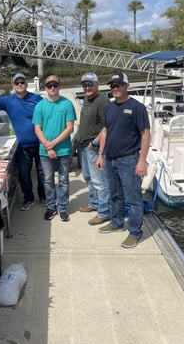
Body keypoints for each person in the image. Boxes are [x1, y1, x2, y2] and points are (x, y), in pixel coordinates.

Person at [0, 73, 46, 210]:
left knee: (42, 173)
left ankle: (44, 197)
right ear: (13, 86)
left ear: (26, 85)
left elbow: (48, 113)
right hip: (23, 146)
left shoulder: (36, 99)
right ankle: (29, 198)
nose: (20, 85)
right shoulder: (8, 101)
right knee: (24, 174)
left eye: (22, 82)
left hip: (40, 143)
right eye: (17, 83)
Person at [96, 71, 150, 248]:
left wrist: (142, 161)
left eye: (118, 85)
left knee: (133, 198)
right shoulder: (109, 107)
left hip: (129, 159)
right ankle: (116, 222)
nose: (115, 88)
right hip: (110, 159)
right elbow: (105, 131)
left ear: (127, 86)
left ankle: (135, 232)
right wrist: (100, 154)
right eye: (112, 86)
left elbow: (145, 134)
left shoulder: (137, 107)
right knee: (114, 194)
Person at [32, 75, 76, 221]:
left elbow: (69, 128)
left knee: (63, 179)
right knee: (48, 180)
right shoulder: (40, 106)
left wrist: (54, 143)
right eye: (49, 86)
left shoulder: (67, 104)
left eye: (55, 85)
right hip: (45, 151)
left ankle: (62, 207)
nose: (52, 88)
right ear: (45, 88)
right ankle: (51, 207)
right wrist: (48, 146)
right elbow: (37, 129)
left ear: (60, 86)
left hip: (64, 150)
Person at [78, 72, 111, 225]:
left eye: (90, 84)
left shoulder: (102, 101)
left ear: (97, 84)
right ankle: (94, 204)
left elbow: (107, 126)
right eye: (84, 85)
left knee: (100, 182)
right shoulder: (86, 98)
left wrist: (95, 143)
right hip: (83, 146)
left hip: (93, 147)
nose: (87, 87)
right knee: (88, 178)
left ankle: (104, 212)